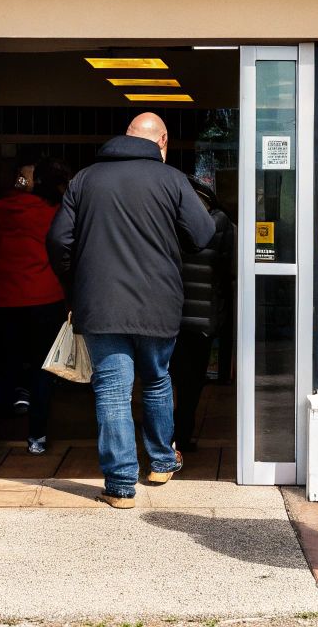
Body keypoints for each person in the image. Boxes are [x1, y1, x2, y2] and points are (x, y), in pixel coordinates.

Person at [46, 112, 215, 508]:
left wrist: (77, 281)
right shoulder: (172, 179)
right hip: (159, 302)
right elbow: (203, 234)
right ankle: (160, 462)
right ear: (163, 141)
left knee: (112, 391)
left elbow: (57, 240)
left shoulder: (85, 179)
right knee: (156, 381)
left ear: (125, 137)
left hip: (101, 304)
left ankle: (121, 486)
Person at [0, 158, 72, 454]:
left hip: (2, 300)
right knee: (42, 369)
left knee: (1, 364)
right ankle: (37, 436)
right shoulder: (53, 212)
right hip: (44, 299)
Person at [173, 177, 234, 451]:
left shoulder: (169, 218)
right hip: (203, 317)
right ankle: (182, 437)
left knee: (162, 380)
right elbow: (228, 268)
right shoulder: (220, 221)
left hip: (168, 315)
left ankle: (162, 439)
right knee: (192, 382)